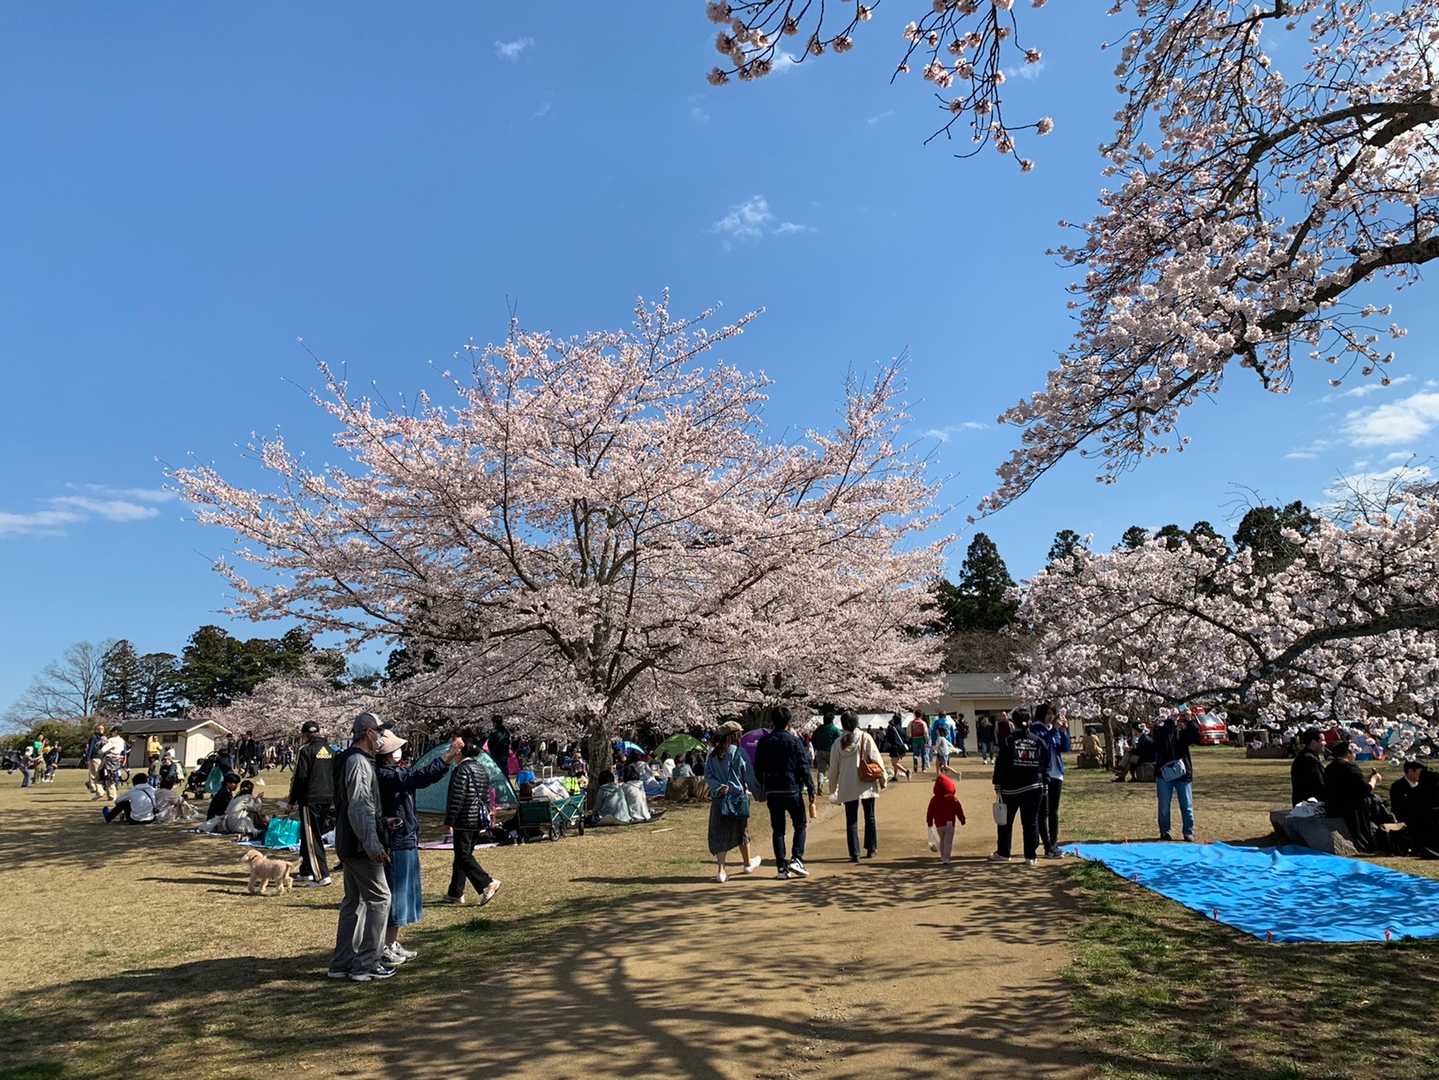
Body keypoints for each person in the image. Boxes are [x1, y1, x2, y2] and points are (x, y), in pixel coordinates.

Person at [376, 730, 462, 967]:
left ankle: (392, 942)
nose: (399, 752)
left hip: (406, 837)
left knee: (404, 895)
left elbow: (419, 778)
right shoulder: (386, 774)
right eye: (395, 748)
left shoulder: (395, 772)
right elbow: (418, 777)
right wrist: (447, 756)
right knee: (396, 895)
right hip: (396, 840)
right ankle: (384, 946)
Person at [329, 712, 395, 982]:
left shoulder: (352, 760)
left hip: (349, 840)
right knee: (380, 899)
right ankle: (367, 962)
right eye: (380, 731)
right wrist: (372, 843)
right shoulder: (358, 762)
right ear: (368, 732)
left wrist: (382, 821)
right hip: (359, 844)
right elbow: (359, 805)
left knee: (354, 902)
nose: (382, 737)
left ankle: (342, 962)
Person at [753, 706, 817, 880]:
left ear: (772, 721)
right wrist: (811, 788)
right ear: (788, 722)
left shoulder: (764, 742)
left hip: (773, 790)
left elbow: (758, 768)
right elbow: (803, 766)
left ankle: (781, 868)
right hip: (791, 788)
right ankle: (797, 858)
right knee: (800, 824)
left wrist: (763, 786)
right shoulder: (794, 741)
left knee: (778, 829)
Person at [443, 729, 503, 907]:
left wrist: (449, 821)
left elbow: (457, 798)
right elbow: (485, 796)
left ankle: (486, 882)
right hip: (478, 819)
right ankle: (455, 892)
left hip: (464, 819)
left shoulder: (461, 770)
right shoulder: (480, 768)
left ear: (460, 752)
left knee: (463, 856)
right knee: (462, 855)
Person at [704, 720, 763, 882]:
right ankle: (747, 863)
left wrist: (718, 787)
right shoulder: (739, 752)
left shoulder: (712, 754)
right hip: (737, 799)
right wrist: (759, 794)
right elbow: (749, 777)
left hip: (719, 799)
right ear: (735, 735)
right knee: (741, 831)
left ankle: (721, 871)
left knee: (720, 833)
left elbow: (708, 776)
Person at [992, 711, 1051, 866]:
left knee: (1005, 822)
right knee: (1031, 823)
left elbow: (1000, 763)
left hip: (1011, 788)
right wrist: (1044, 781)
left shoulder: (1008, 740)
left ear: (1014, 723)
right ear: (1029, 722)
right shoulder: (1038, 741)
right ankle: (1030, 856)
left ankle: (1004, 852)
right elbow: (1046, 763)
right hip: (1034, 787)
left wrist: (997, 783)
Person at [827, 712, 885, 862]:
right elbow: (877, 759)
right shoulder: (865, 737)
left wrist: (832, 790)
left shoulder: (838, 743)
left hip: (847, 784)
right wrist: (883, 778)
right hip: (866, 782)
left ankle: (854, 853)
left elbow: (833, 769)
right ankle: (871, 848)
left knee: (851, 819)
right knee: (870, 816)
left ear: (843, 724)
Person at [287, 720, 338, 887]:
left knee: (312, 837)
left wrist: (292, 800)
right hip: (327, 798)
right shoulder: (330, 750)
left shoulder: (306, 750)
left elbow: (300, 778)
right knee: (308, 833)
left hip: (310, 799)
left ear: (305, 735)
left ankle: (322, 875)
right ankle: (306, 870)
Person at [1323, 741, 1392, 854]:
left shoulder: (1330, 768)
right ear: (1348, 753)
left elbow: (1351, 783)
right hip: (1353, 808)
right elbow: (1365, 789)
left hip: (1334, 805)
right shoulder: (1350, 767)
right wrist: (1374, 779)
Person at [1153, 709, 1200, 841]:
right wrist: (1164, 722)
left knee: (1186, 805)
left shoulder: (1183, 728)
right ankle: (1165, 831)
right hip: (1164, 772)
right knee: (1164, 806)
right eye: (1172, 713)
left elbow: (1195, 736)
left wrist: (1189, 720)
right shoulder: (1161, 728)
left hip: (1183, 772)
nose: (1175, 715)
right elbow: (1158, 741)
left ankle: (1188, 832)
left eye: (1177, 714)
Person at [1031, 703, 1071, 858]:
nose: (1051, 716)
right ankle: (1047, 846)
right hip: (1043, 774)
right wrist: (1054, 730)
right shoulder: (1036, 729)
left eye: (1052, 714)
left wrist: (1063, 731)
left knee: (1054, 812)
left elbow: (1065, 748)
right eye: (1048, 713)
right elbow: (1043, 745)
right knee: (1043, 812)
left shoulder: (1054, 729)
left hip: (1057, 773)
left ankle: (1054, 844)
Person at [1390, 761, 1439, 858]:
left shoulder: (1428, 786)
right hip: (1409, 821)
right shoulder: (1398, 786)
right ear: (1410, 771)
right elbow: (1399, 808)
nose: (1421, 775)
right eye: (1420, 772)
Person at [926, 770, 967, 866]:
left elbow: (930, 812)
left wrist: (929, 822)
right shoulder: (952, 799)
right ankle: (946, 857)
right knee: (948, 841)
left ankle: (943, 856)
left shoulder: (934, 799)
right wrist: (962, 819)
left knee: (942, 840)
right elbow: (958, 810)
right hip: (950, 823)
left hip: (939, 823)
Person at [1291, 728, 1327, 806]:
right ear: (1313, 742)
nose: (1325, 743)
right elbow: (1319, 785)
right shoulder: (1309, 759)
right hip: (1309, 806)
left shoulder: (1305, 756)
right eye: (1322, 740)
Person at [812, 711, 842, 794]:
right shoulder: (834, 729)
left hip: (820, 751)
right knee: (834, 770)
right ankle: (834, 788)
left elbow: (813, 738)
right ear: (832, 720)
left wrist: (816, 747)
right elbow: (840, 740)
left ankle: (820, 785)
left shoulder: (819, 729)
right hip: (832, 752)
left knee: (821, 770)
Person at [881, 714, 912, 781]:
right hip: (901, 747)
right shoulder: (901, 729)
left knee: (894, 763)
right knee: (895, 762)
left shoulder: (892, 728)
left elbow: (888, 737)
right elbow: (905, 737)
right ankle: (895, 776)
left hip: (895, 747)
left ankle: (906, 771)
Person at [83, 724, 107, 798]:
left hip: (102, 758)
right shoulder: (94, 737)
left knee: (97, 774)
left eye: (102, 729)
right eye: (99, 729)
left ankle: (94, 788)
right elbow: (90, 748)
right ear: (96, 730)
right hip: (95, 757)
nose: (101, 730)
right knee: (95, 774)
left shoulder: (103, 738)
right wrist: (88, 758)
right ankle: (96, 789)